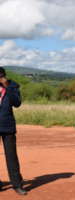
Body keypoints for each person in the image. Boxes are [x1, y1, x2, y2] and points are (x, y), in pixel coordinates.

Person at [0, 67, 27, 195]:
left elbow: (17, 103)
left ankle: (17, 184)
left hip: (7, 126)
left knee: (11, 157)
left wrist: (7, 86)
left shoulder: (12, 86)